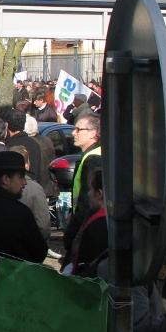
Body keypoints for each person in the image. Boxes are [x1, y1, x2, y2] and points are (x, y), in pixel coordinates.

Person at [0, 151, 47, 264]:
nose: (25, 182)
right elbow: (39, 252)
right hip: (12, 277)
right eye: (21, 177)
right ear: (6, 179)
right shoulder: (20, 213)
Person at [61, 114, 102, 269]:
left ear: (93, 133)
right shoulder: (93, 155)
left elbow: (86, 203)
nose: (73, 133)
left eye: (78, 129)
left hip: (85, 226)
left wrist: (70, 235)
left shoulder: (93, 159)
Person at [62, 168, 107, 275]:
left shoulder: (96, 225)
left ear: (99, 194)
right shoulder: (94, 215)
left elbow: (84, 259)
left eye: (91, 189)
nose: (89, 194)